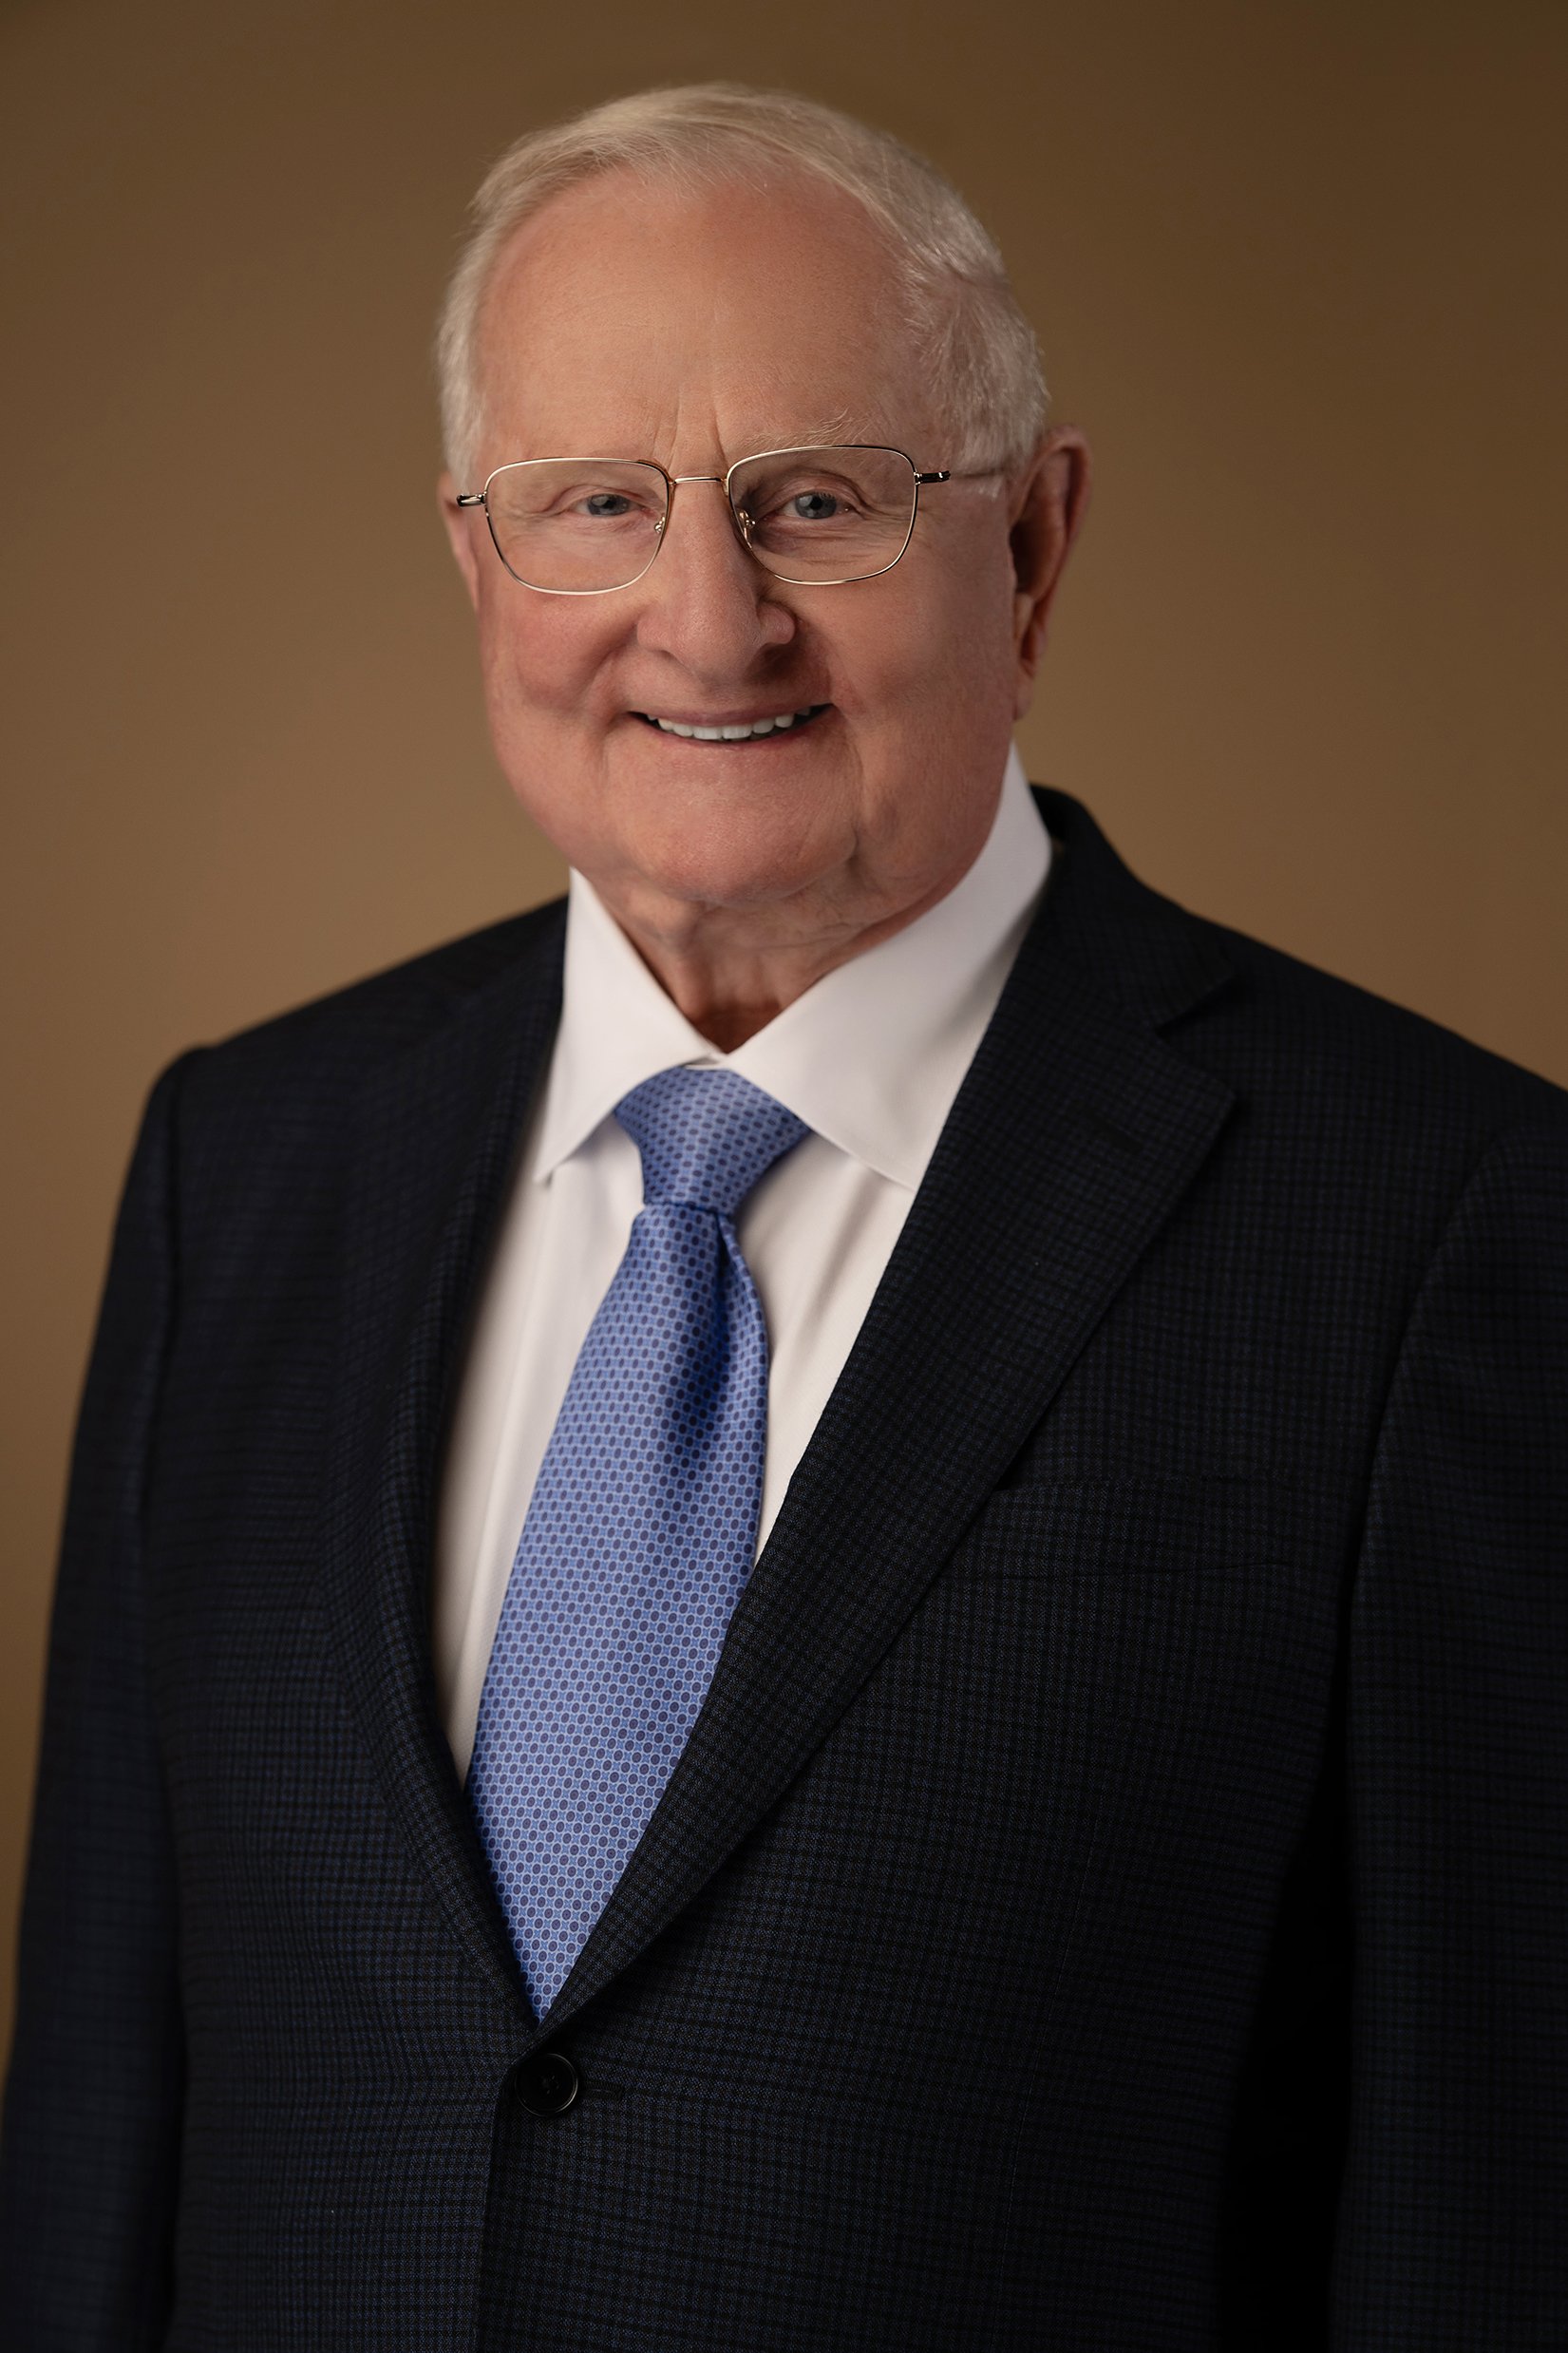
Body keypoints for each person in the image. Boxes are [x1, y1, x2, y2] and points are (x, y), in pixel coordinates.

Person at [2, 81, 1564, 2353]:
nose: (704, 616)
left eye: (814, 501)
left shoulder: (1436, 1228)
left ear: (1028, 547)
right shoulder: (241, 1172)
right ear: (476, 561)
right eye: (597, 505)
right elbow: (95, 2153)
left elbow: (1487, 2217)